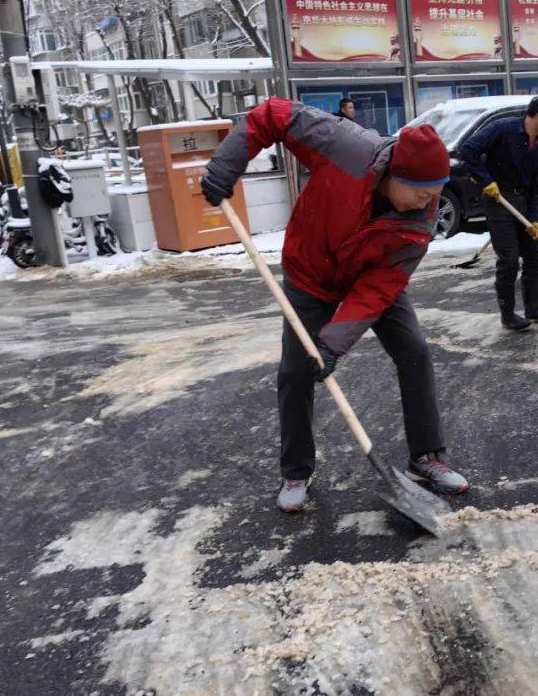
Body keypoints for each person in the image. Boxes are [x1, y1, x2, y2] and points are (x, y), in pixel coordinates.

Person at [200, 98, 469, 513]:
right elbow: (273, 115)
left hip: (371, 277)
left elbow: (379, 288)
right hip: (312, 274)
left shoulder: (419, 221)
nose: (427, 202)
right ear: (395, 173)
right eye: (420, 192)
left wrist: (332, 345)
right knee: (295, 371)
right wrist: (225, 168)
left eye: (435, 194)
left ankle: (426, 457)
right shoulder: (347, 146)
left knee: (413, 350)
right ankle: (296, 470)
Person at [458, 93, 538, 331]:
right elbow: (468, 151)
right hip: (499, 199)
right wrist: (485, 180)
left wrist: (536, 218)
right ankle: (508, 316)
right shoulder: (502, 129)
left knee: (535, 255)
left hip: (525, 202)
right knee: (508, 259)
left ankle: (534, 309)